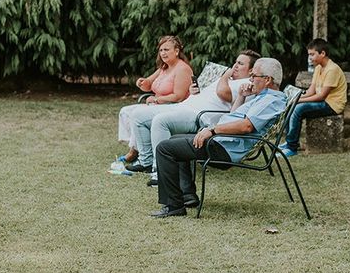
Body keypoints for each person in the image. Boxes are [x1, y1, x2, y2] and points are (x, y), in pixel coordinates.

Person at [150, 57, 287, 218]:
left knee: (164, 148)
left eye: (254, 76)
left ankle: (174, 206)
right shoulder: (262, 97)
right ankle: (187, 195)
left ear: (267, 79)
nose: (250, 79)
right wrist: (242, 96)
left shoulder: (271, 101)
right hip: (223, 141)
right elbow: (234, 116)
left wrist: (213, 130)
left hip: (224, 148)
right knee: (174, 141)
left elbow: (246, 126)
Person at [131, 50, 261, 186]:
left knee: (160, 121)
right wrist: (194, 94)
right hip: (184, 106)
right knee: (138, 115)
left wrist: (224, 76)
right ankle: (146, 161)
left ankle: (162, 173)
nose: (235, 66)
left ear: (251, 70)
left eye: (240, 64)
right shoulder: (230, 80)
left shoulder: (246, 85)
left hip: (199, 116)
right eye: (235, 62)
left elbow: (223, 93)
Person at [117, 36, 193, 165]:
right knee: (125, 111)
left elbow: (179, 96)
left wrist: (157, 99)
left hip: (173, 107)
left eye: (166, 49)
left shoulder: (182, 69)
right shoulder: (164, 68)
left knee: (137, 115)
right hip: (156, 105)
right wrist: (142, 82)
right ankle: (136, 149)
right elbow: (148, 85)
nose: (163, 53)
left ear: (176, 51)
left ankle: (138, 153)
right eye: (161, 50)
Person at [279, 38, 347, 157]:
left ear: (323, 53)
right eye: (309, 54)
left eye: (312, 54)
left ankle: (292, 148)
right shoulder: (318, 68)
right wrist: (295, 97)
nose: (310, 58)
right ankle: (290, 142)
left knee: (298, 108)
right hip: (323, 101)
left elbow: (321, 96)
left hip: (332, 105)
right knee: (292, 105)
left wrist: (299, 100)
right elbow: (311, 91)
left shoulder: (332, 69)